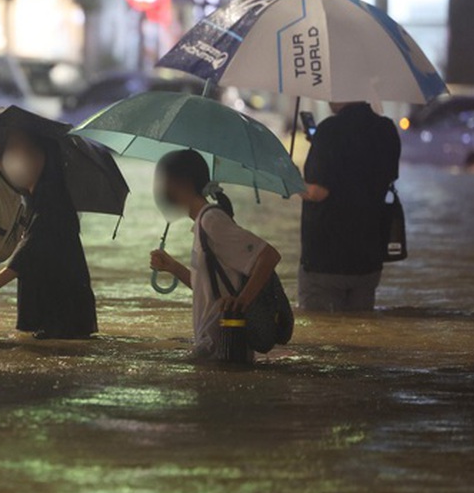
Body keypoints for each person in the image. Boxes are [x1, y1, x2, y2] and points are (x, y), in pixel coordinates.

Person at [148, 150, 282, 359]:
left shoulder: (212, 221)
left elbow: (269, 256)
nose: (161, 190)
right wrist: (173, 267)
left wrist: (243, 301)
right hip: (212, 346)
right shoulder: (202, 224)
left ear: (183, 183)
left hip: (226, 347)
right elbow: (207, 288)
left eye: (165, 181)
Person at [0, 129, 97, 339]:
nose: (13, 160)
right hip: (59, 311)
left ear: (42, 157)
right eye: (10, 153)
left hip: (62, 313)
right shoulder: (36, 199)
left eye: (21, 152)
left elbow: (31, 249)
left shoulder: (52, 202)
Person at [299, 102, 401, 312]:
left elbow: (317, 192)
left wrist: (289, 178)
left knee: (322, 335)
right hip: (369, 257)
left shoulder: (329, 130)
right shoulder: (387, 129)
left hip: (326, 258)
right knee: (360, 333)